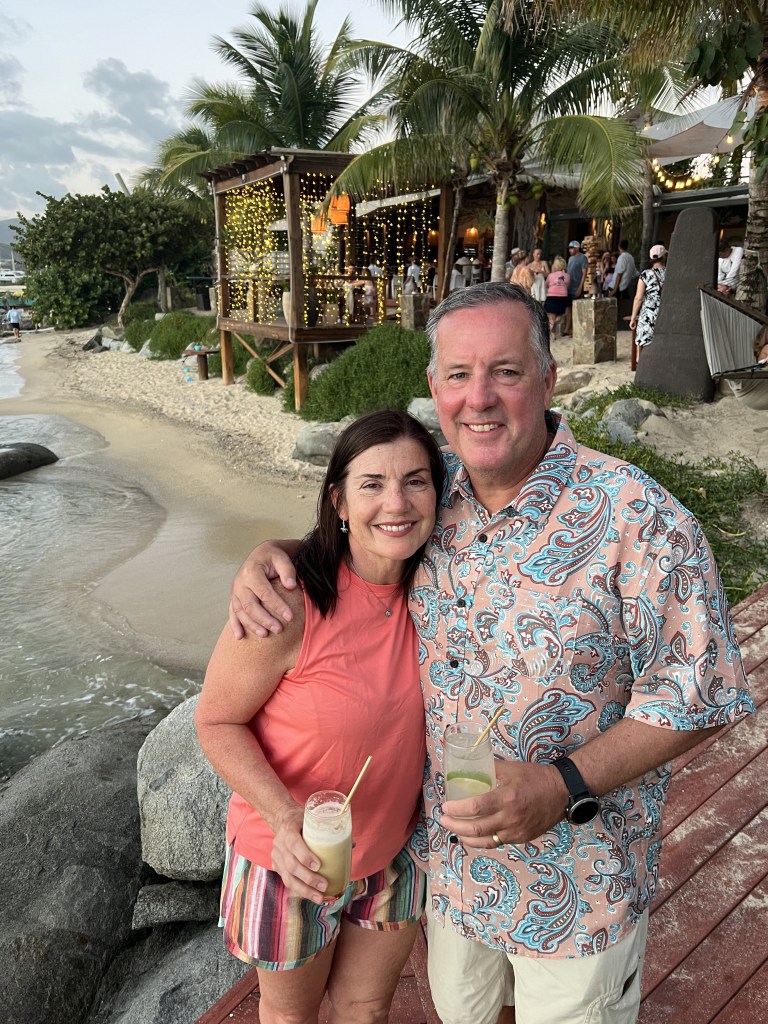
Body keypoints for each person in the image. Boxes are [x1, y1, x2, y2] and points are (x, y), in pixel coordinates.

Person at [228, 283, 753, 1024]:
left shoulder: (639, 518)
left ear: (548, 379)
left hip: (578, 888)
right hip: (456, 878)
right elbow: (358, 533)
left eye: (506, 371)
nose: (479, 397)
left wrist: (563, 782)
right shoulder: (432, 491)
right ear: (434, 387)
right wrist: (272, 554)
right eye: (458, 374)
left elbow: (702, 694)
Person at [197, 410, 445, 1024]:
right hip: (290, 858)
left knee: (366, 1008)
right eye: (372, 484)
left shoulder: (440, 585)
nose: (397, 503)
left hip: (394, 850)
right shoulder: (286, 602)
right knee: (292, 1017)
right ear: (338, 500)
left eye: (416, 481)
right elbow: (216, 721)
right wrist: (284, 819)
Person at [629, 244, 667, 351]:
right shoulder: (670, 273)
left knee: (642, 345)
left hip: (648, 315)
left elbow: (638, 298)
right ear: (664, 257)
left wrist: (633, 317)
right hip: (665, 314)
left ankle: (639, 360)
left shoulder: (645, 275)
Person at [610, 239, 639, 326]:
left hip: (618, 287)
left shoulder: (622, 257)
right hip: (626, 286)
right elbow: (635, 273)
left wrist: (614, 289)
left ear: (619, 247)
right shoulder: (631, 257)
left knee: (613, 308)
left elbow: (619, 274)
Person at [564, 240, 587, 335]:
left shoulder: (583, 258)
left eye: (572, 248)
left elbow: (584, 274)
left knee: (577, 309)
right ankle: (567, 328)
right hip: (569, 287)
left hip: (576, 286)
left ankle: (576, 329)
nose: (570, 250)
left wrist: (580, 288)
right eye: (569, 248)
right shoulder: (570, 258)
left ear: (577, 248)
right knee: (568, 307)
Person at [543, 255, 569, 338]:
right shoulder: (567, 276)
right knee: (561, 315)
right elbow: (567, 285)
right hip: (563, 298)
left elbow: (546, 285)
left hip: (552, 297)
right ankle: (556, 323)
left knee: (550, 317)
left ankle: (551, 333)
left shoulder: (551, 275)